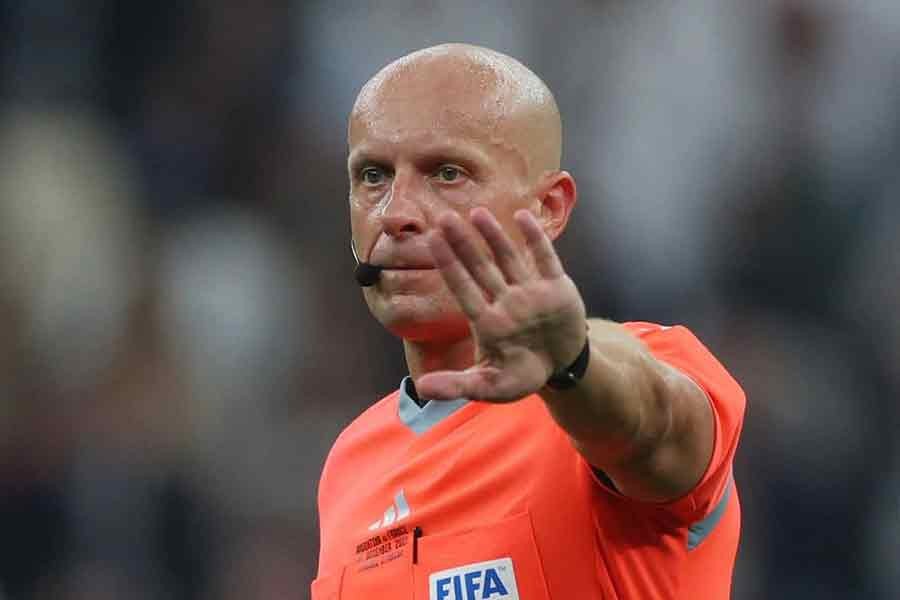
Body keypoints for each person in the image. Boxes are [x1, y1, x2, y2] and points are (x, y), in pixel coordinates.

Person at [313, 44, 745, 600]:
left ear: (549, 208)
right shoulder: (350, 465)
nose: (397, 213)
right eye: (373, 176)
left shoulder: (639, 372)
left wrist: (572, 367)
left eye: (447, 173)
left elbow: (651, 424)